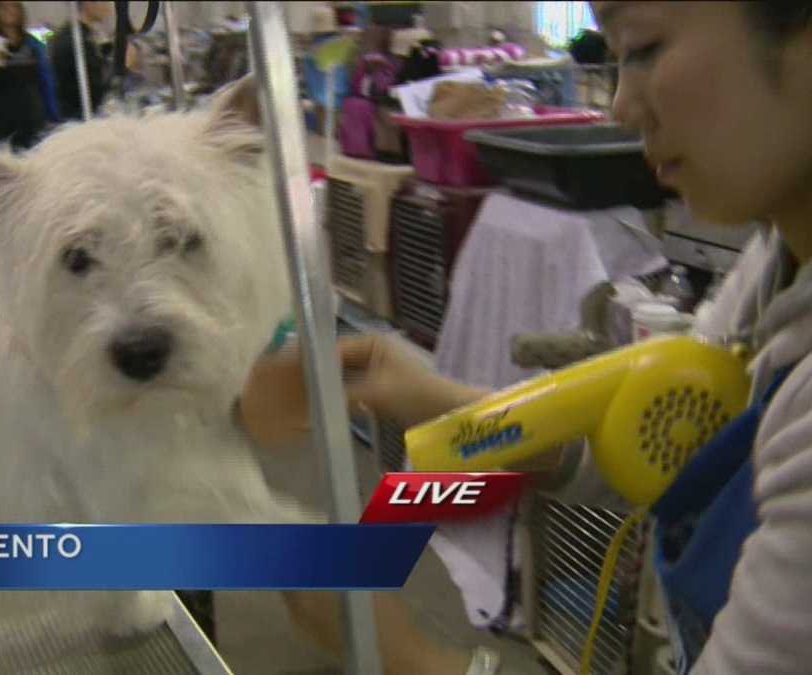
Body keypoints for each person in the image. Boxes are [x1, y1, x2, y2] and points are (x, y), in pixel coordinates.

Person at [239, 2, 812, 674]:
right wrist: (443, 402)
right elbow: (673, 434)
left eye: (646, 48)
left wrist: (408, 657)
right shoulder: (774, 263)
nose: (623, 106)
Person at [0, 1, 60, 149]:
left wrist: (53, 116)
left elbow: (46, 81)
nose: (9, 10)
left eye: (14, 6)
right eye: (3, 6)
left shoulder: (33, 43)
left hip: (31, 116)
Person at [49, 0, 115, 121]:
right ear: (88, 3)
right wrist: (122, 67)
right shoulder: (76, 40)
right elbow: (94, 92)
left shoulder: (85, 36)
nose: (109, 6)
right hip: (80, 120)